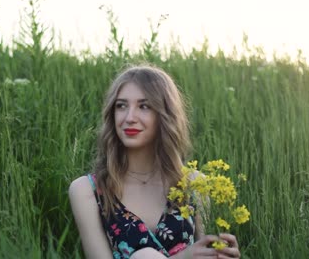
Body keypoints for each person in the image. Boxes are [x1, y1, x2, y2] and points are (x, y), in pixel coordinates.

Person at [69, 65, 241, 258]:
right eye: (121, 106)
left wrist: (220, 253)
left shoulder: (195, 185)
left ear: (164, 115)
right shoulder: (87, 190)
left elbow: (205, 251)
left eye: (144, 106)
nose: (129, 118)